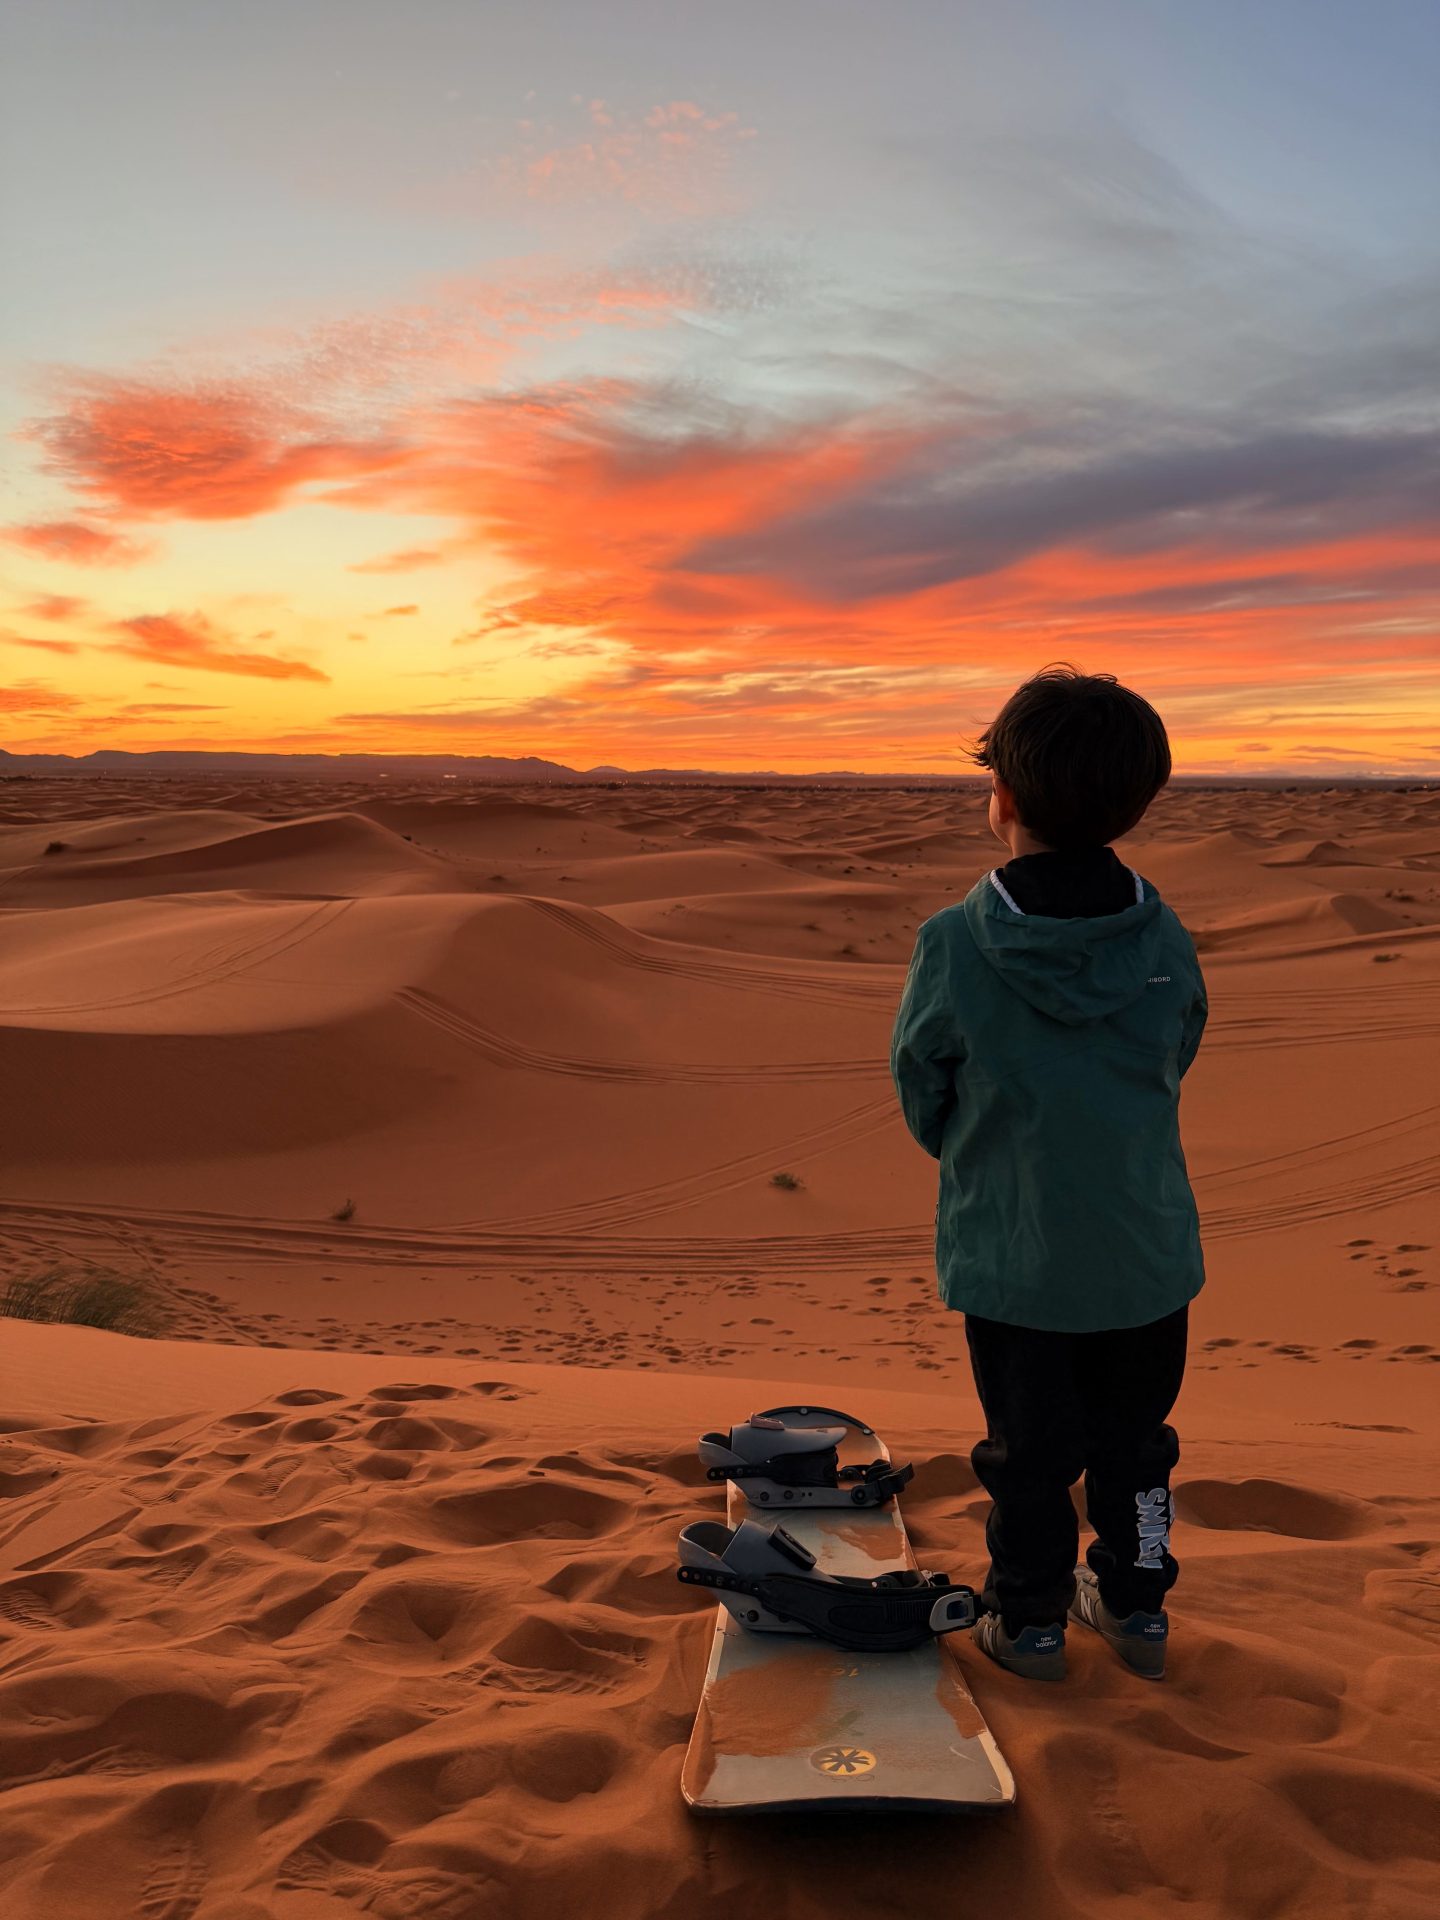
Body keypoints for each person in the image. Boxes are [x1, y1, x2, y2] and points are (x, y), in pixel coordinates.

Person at [889, 662, 1208, 1682]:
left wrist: (991, 1157)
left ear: (1006, 800)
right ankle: (1137, 1603)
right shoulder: (1162, 937)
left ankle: (1026, 1619)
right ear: (1138, 802)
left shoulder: (955, 943)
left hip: (1015, 1259)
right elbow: (1177, 1050)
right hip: (1145, 1254)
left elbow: (920, 1080)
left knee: (1028, 1457)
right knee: (1138, 1452)